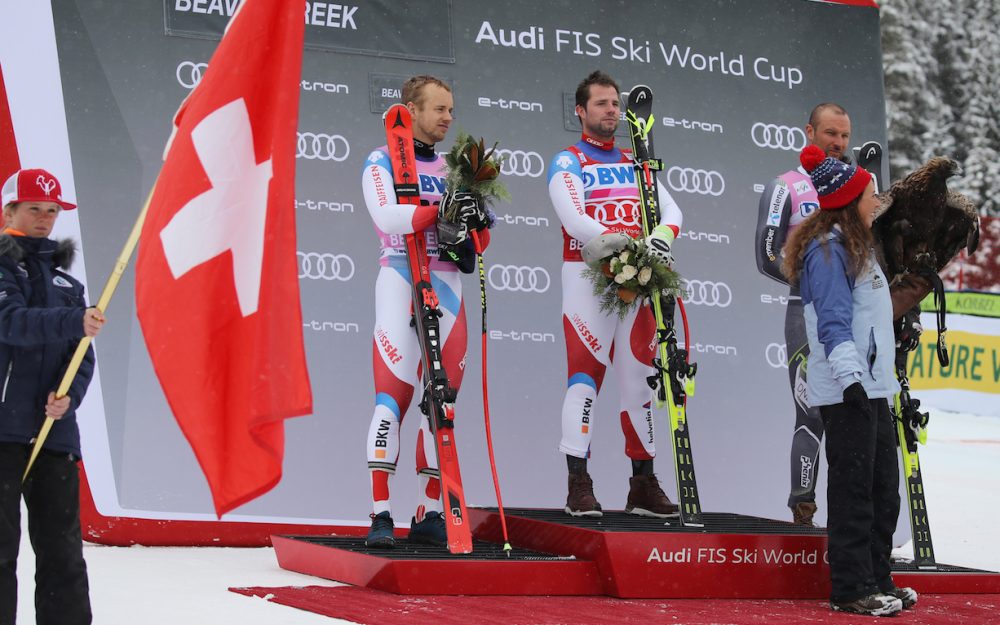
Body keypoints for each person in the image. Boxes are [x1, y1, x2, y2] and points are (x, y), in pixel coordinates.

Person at [782, 146, 917, 616]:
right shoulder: (826, 251)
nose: (876, 201)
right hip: (847, 388)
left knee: (883, 486)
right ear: (848, 200)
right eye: (870, 194)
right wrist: (852, 380)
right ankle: (850, 586)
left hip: (874, 385)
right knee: (853, 486)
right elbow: (834, 323)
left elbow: (870, 317)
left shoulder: (859, 245)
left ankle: (878, 576)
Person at [360, 76, 490, 547]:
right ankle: (379, 513)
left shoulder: (456, 169)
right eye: (438, 109)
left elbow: (477, 242)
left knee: (442, 403)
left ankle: (429, 511)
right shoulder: (382, 159)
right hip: (399, 277)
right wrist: (440, 210)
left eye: (451, 110)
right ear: (410, 110)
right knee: (390, 398)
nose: (448, 118)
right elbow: (388, 215)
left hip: (447, 284)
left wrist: (473, 221)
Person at [547, 71, 683, 518]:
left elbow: (672, 210)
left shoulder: (634, 161)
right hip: (590, 278)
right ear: (580, 111)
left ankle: (642, 484)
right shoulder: (569, 161)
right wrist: (624, 247)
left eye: (615, 104)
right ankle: (577, 483)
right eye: (601, 103)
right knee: (584, 379)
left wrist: (658, 238)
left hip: (637, 277)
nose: (611, 110)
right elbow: (574, 218)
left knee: (640, 383)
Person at [0, 168, 104, 625]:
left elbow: (81, 357)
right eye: (34, 209)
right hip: (2, 433)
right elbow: (13, 323)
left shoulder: (69, 286)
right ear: (10, 211)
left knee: (63, 553)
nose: (44, 218)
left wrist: (69, 398)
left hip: (53, 436)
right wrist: (71, 323)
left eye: (52, 210)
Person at [754, 103, 851, 526]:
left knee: (855, 415)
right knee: (811, 411)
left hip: (852, 318)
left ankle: (850, 518)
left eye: (845, 136)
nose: (838, 143)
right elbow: (767, 253)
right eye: (831, 133)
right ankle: (803, 511)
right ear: (809, 131)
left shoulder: (857, 190)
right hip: (805, 312)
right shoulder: (786, 187)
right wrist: (815, 282)